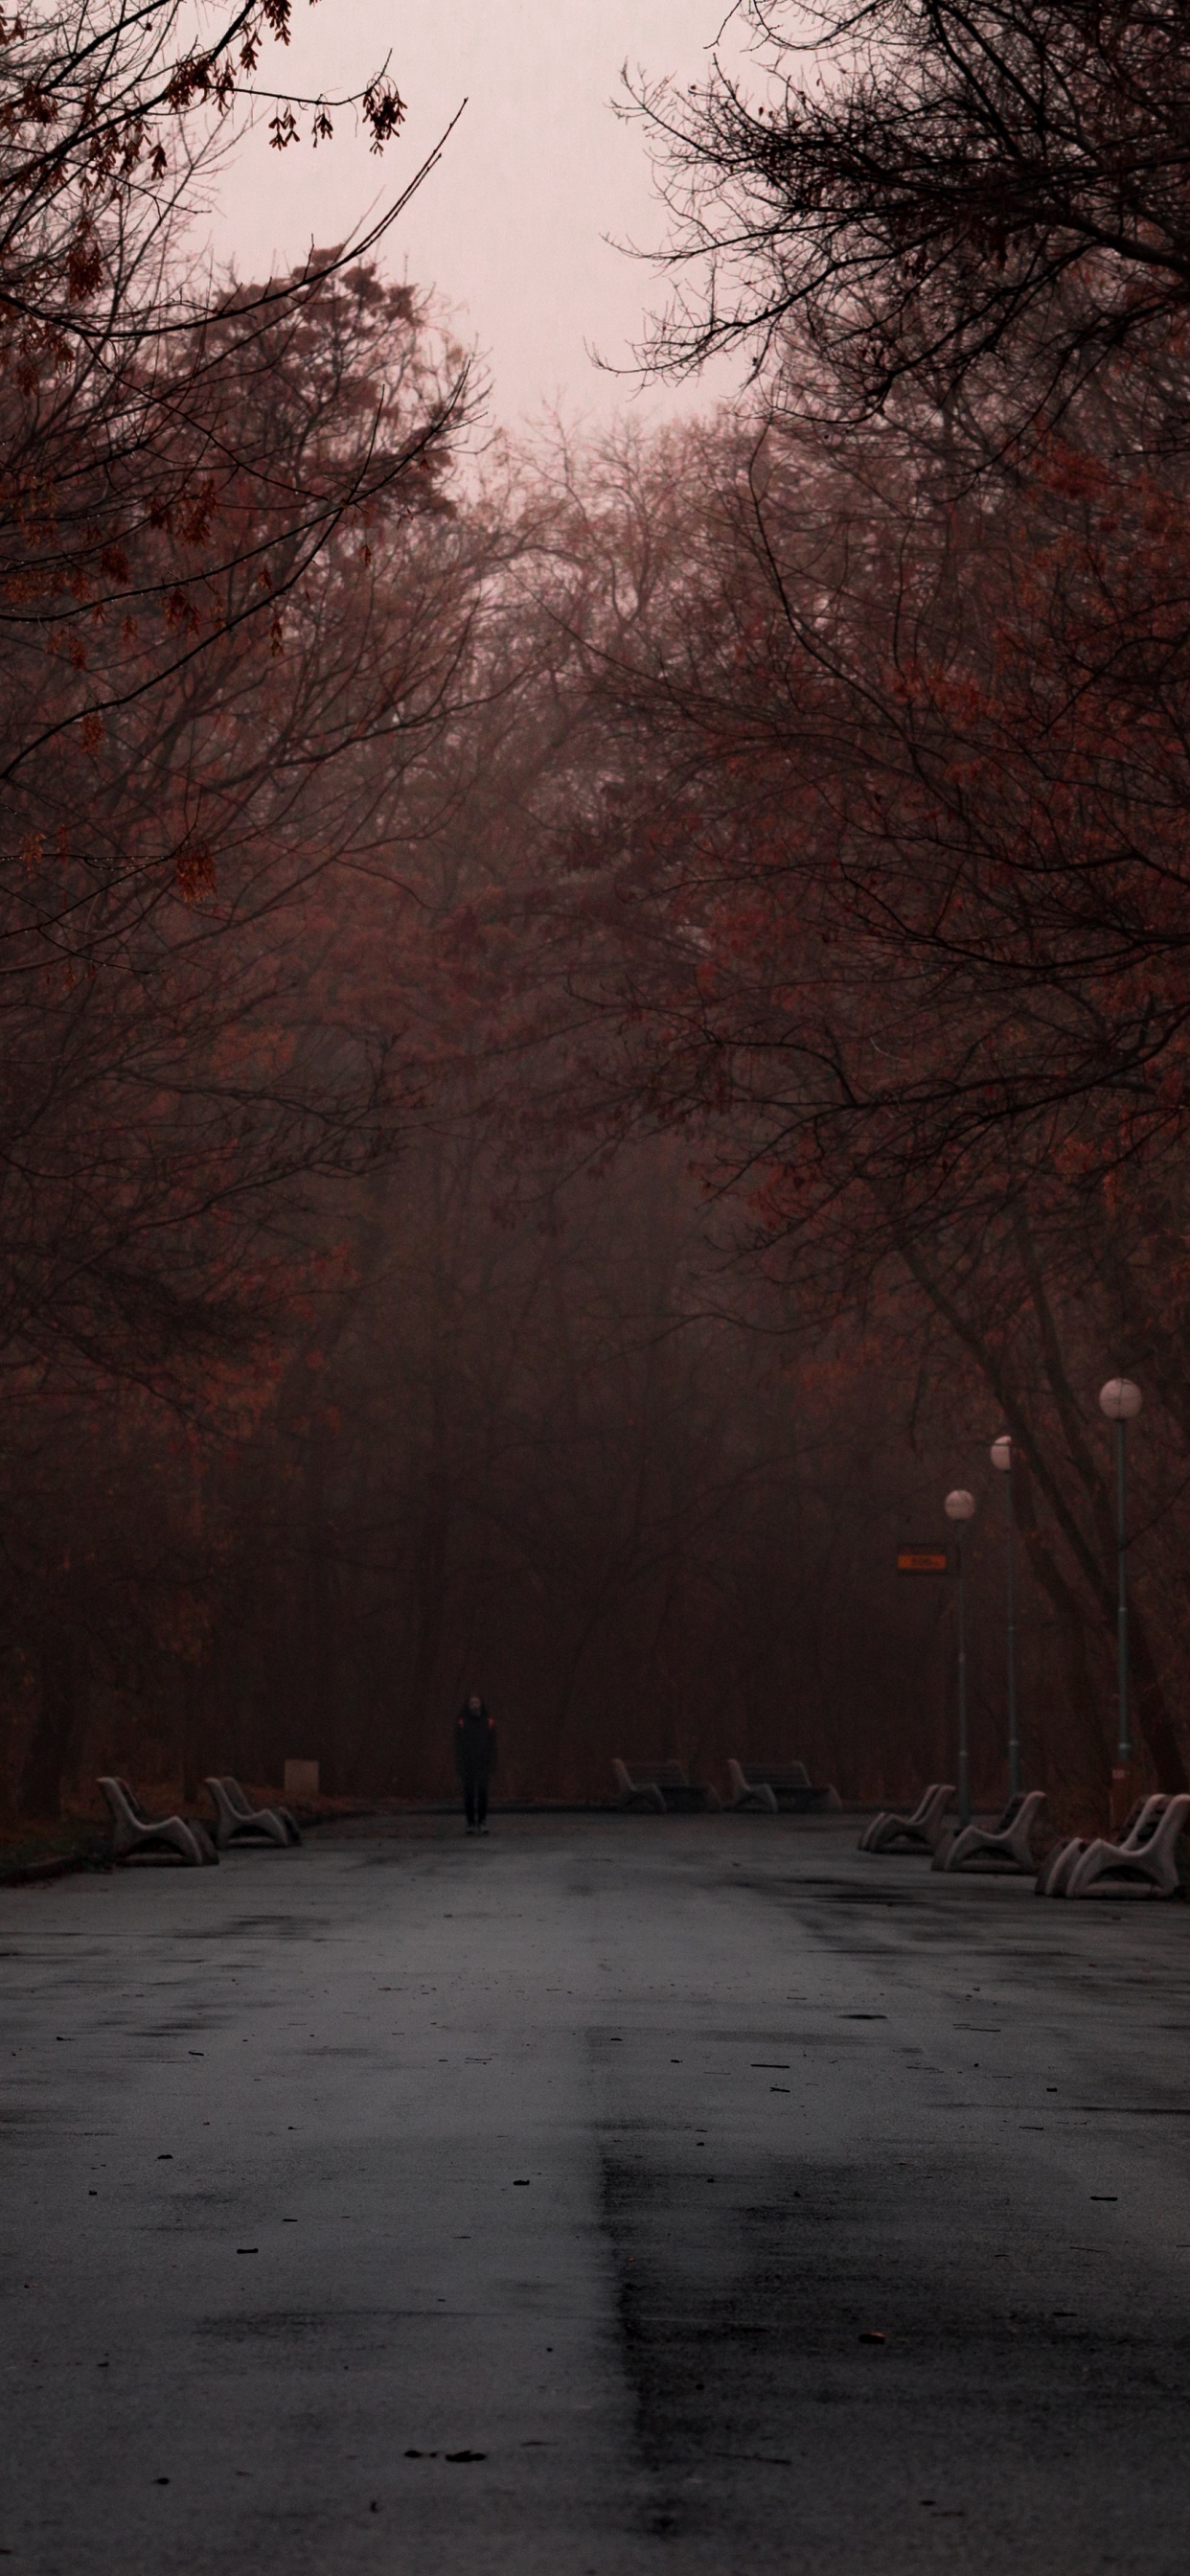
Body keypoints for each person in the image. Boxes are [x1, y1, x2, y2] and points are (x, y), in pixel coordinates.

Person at [453, 1692, 496, 1833]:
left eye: (477, 1702)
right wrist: (459, 1764)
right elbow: (457, 1745)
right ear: (468, 1705)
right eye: (472, 1703)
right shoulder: (462, 1722)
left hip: (483, 1764)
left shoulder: (488, 1722)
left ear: (481, 1704)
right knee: (469, 1794)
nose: (475, 1705)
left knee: (483, 1792)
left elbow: (493, 1745)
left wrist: (492, 1763)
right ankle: (470, 1822)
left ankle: (482, 1821)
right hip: (468, 1764)